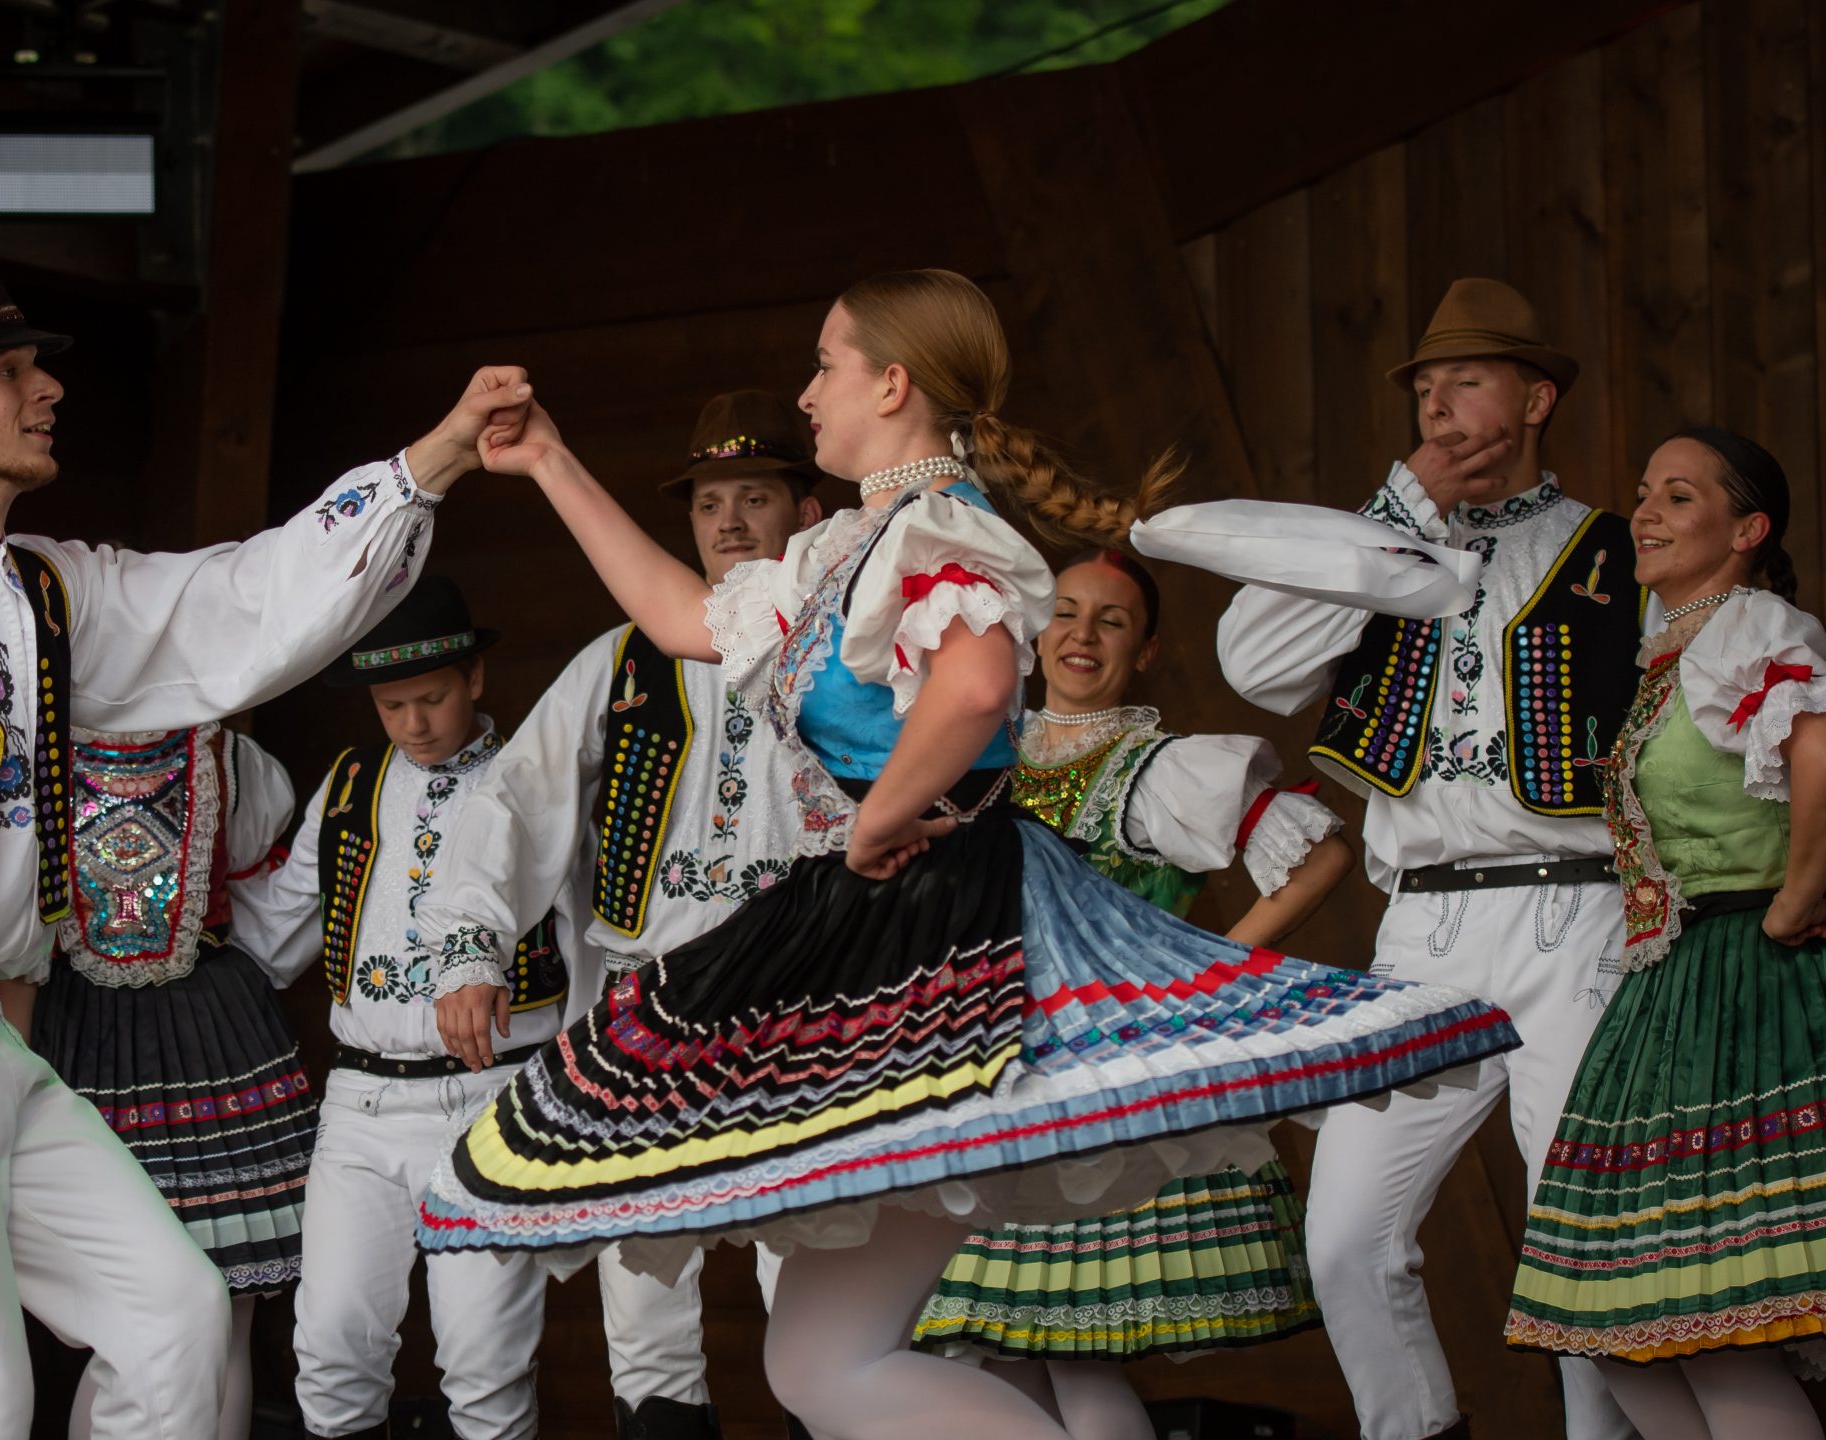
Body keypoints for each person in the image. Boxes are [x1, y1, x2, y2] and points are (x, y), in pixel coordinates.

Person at [414, 268, 1520, 1440]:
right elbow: (685, 618)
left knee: (830, 1361)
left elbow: (980, 682)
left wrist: (879, 816)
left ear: (892, 385)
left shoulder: (936, 526)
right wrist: (549, 462)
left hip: (940, 926)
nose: (807, 393)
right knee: (815, 1361)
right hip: (880, 923)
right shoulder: (847, 545)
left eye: (825, 366)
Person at [0, 252, 515, 1440]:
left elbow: (233, 603)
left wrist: (428, 466)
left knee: (177, 1318)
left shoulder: (41, 592)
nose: (46, 389)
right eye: (10, 373)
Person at [1212, 278, 1642, 1440]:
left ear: (1535, 399)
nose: (1437, 405)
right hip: (1422, 931)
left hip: (1576, 914)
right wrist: (1397, 510)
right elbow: (1255, 662)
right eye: (1424, 388)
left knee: (1577, 1235)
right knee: (1344, 1234)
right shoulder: (1379, 549)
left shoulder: (1614, 549)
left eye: (1467, 381)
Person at [418, 390, 826, 1440]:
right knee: (642, 1292)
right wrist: (470, 947)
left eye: (754, 497)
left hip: (803, 1000)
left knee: (817, 1276)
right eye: (708, 503)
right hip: (647, 1004)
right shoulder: (626, 659)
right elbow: (516, 799)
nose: (728, 521)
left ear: (808, 511)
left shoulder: (844, 649)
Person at [912, 549, 1353, 1440]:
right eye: (1066, 612)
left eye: (1111, 621)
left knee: (1076, 1356)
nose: (1082, 634)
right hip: (992, 1082)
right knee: (1003, 1350)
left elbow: (1322, 855)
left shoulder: (1159, 768)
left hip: (1100, 1088)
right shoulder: (981, 751)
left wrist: (1211, 968)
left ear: (1145, 650)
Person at [1504, 427, 1826, 1440]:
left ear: (1748, 530)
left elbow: (1819, 754)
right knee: (1614, 1326)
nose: (1644, 511)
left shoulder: (1753, 626)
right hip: (1669, 991)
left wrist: (1795, 897)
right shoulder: (1671, 649)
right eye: (1644, 491)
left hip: (1749, 978)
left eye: (1679, 497)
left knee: (1715, 1325)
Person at [237, 574, 566, 1440]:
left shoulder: (538, 782)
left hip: (494, 1101)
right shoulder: (350, 784)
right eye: (391, 706)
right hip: (360, 1105)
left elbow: (589, 945)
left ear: (475, 679)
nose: (414, 724)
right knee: (331, 1349)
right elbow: (277, 930)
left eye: (432, 699)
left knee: (485, 1368)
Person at [22, 720, 310, 1440]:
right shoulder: (32, 753)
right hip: (88, 1047)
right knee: (125, 1313)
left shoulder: (232, 759)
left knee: (226, 1303)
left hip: (206, 1040)